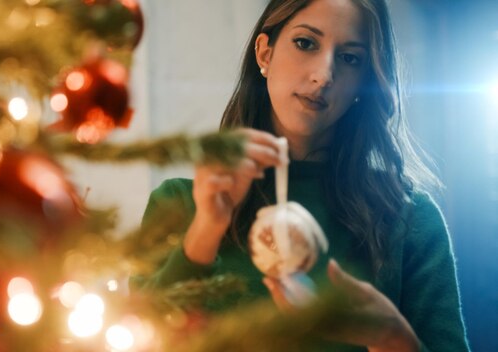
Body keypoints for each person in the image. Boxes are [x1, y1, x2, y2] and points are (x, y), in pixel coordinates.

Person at [139, 0, 469, 351]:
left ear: (364, 82)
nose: (323, 75)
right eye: (306, 43)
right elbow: (141, 336)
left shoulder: (410, 218)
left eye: (350, 58)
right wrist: (206, 229)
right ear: (264, 54)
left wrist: (392, 338)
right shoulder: (177, 205)